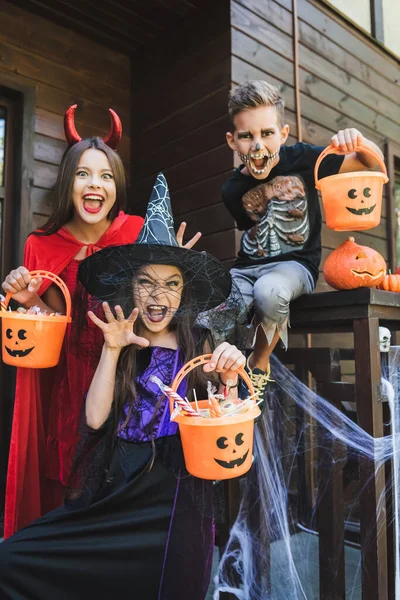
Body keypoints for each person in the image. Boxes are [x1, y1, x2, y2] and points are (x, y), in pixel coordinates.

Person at [0, 173, 246, 600]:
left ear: (184, 293)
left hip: (173, 502)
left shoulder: (197, 342)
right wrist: (112, 351)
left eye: (171, 284)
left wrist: (228, 375)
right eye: (146, 282)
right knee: (12, 560)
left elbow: (224, 415)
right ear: (131, 288)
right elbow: (95, 418)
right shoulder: (121, 340)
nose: (158, 295)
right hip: (117, 493)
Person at [1, 106, 200, 537]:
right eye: (84, 174)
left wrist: (178, 268)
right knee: (73, 491)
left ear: (117, 186)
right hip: (68, 385)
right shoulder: (42, 244)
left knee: (119, 488)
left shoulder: (136, 232)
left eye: (106, 176)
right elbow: (49, 327)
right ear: (68, 182)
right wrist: (27, 296)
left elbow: (162, 301)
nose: (96, 184)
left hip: (129, 380)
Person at [222, 79, 385, 395]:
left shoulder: (307, 159)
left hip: (295, 267)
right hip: (247, 267)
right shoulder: (231, 190)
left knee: (268, 292)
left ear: (282, 134)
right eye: (247, 136)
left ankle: (260, 360)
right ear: (233, 141)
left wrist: (358, 141)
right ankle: (225, 376)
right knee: (220, 307)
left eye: (267, 133)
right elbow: (252, 230)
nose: (257, 145)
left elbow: (370, 162)